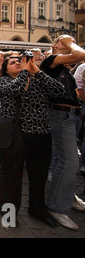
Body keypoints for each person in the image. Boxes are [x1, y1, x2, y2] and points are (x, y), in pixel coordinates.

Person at [0, 54, 65, 228]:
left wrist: (37, 71)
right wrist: (25, 72)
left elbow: (59, 91)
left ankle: (37, 208)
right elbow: (15, 90)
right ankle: (8, 212)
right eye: (13, 63)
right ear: (6, 69)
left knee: (39, 175)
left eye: (20, 61)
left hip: (41, 133)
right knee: (11, 175)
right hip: (16, 133)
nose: (18, 63)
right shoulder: (3, 81)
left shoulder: (36, 79)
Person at [40, 35, 85, 230]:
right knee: (70, 161)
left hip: (68, 115)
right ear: (56, 44)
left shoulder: (62, 67)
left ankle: (64, 196)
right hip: (59, 115)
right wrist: (67, 41)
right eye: (65, 41)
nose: (70, 42)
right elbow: (82, 54)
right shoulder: (51, 59)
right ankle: (58, 206)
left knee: (62, 160)